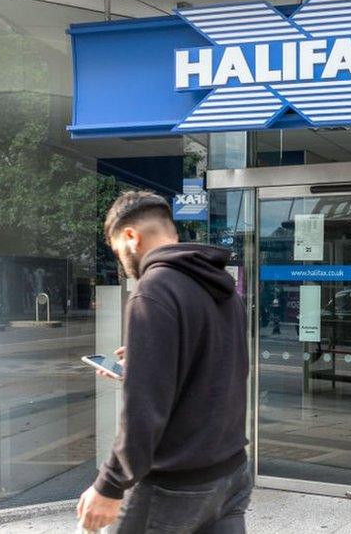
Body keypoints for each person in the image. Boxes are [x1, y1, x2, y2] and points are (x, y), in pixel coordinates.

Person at [76, 191, 251, 533]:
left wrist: (110, 485)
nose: (122, 261)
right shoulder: (221, 285)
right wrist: (143, 364)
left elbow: (145, 407)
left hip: (177, 485)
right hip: (231, 473)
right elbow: (222, 368)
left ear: (131, 237)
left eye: (116, 251)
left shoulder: (153, 289)